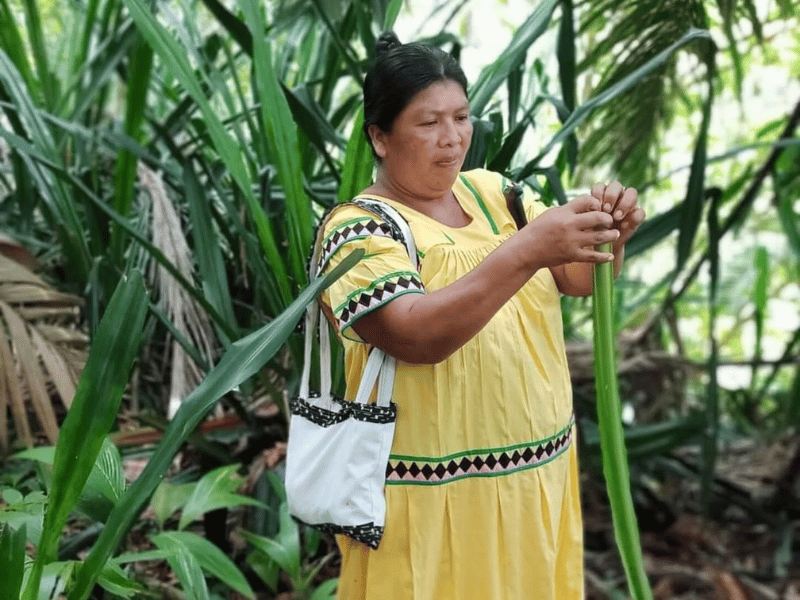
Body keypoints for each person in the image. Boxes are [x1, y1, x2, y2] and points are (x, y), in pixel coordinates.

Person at [318, 31, 645, 600]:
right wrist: (525, 250)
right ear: (379, 137)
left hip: (533, 478)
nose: (452, 140)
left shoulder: (500, 195)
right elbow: (412, 334)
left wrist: (613, 232)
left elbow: (577, 277)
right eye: (428, 123)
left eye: (462, 117)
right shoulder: (358, 227)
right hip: (431, 500)